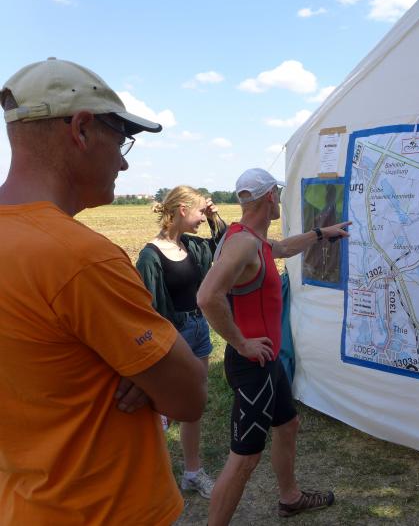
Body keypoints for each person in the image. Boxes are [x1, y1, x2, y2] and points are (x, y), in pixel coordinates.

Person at [0, 58, 207, 525]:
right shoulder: (80, 258)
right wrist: (145, 368)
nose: (124, 161)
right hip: (109, 509)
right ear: (81, 129)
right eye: (120, 138)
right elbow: (189, 396)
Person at [197, 168, 350, 523]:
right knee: (245, 458)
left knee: (288, 424)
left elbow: (281, 248)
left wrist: (320, 233)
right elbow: (206, 296)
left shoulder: (253, 238)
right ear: (270, 197)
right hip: (253, 364)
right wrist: (241, 343)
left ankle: (290, 498)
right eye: (277, 194)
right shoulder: (243, 243)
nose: (279, 199)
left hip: (268, 362)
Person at [136, 185, 227, 498]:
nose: (203, 217)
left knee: (193, 403)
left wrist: (214, 216)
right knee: (162, 410)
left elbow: (223, 245)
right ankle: (153, 478)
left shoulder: (191, 245)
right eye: (200, 211)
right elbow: (146, 308)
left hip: (199, 328)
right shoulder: (150, 256)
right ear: (182, 210)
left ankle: (192, 472)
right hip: (173, 336)